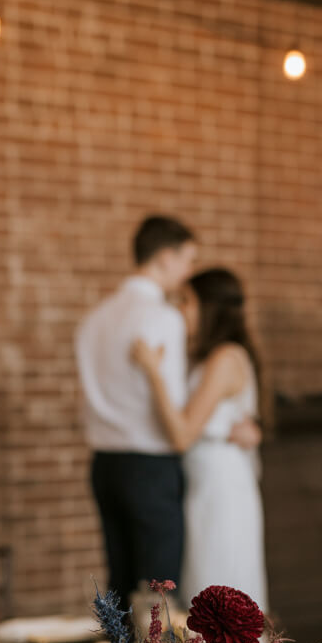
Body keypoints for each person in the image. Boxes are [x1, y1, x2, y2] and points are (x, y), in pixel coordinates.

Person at [130, 267, 268, 623]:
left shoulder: (225, 358)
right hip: (200, 484)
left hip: (220, 488)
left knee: (217, 584)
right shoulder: (202, 357)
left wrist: (152, 372)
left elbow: (182, 433)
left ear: (210, 307)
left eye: (187, 301)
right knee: (199, 584)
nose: (180, 310)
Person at [75, 216, 197, 612]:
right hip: (151, 466)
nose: (188, 272)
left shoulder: (93, 320)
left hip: (105, 464)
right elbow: (173, 408)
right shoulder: (163, 318)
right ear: (165, 257)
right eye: (187, 260)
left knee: (120, 583)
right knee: (158, 596)